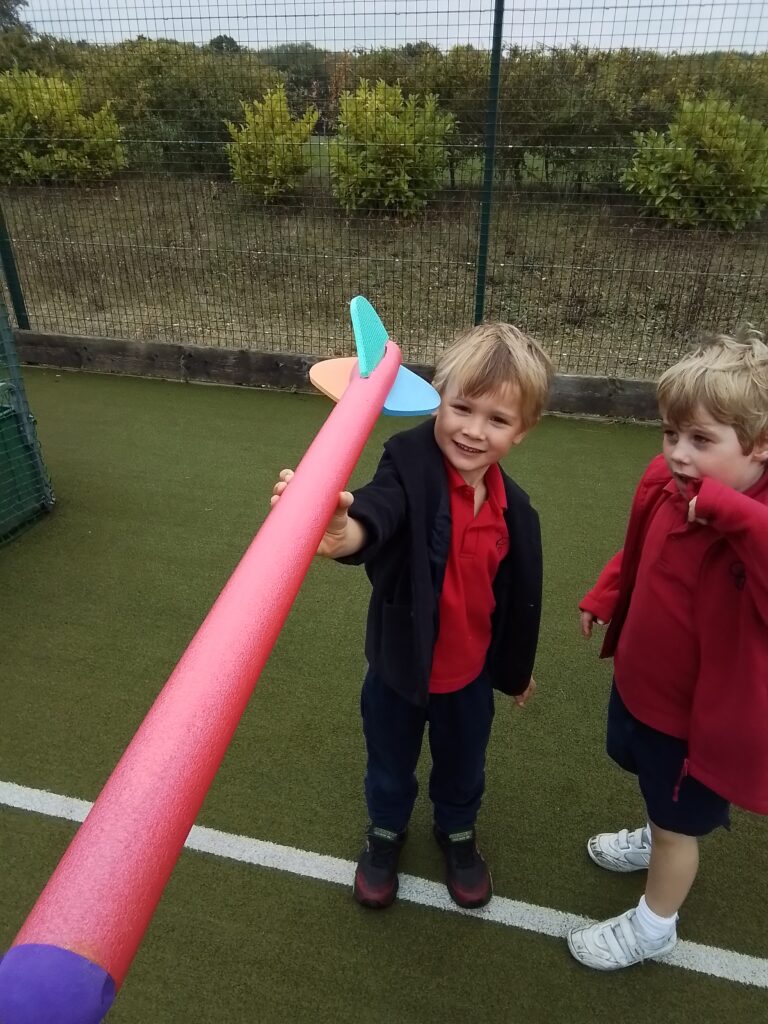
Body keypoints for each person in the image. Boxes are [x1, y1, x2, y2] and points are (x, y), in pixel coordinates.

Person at [272, 323, 553, 909]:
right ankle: (385, 831)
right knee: (390, 761)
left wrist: (514, 669)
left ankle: (456, 830)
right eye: (462, 408)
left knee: (463, 765)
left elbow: (517, 602)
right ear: (438, 400)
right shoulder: (408, 462)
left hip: (468, 677)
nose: (473, 431)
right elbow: (378, 512)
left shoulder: (515, 511)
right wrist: (340, 528)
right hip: (400, 669)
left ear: (522, 432)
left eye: (497, 420)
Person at [568, 330, 768, 970]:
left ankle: (655, 925)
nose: (679, 455)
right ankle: (659, 834)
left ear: (761, 446)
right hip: (643, 691)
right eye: (670, 434)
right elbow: (641, 550)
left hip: (696, 728)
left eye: (701, 441)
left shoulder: (745, 524)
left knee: (681, 826)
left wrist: (731, 514)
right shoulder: (672, 488)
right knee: (656, 793)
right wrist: (607, 592)